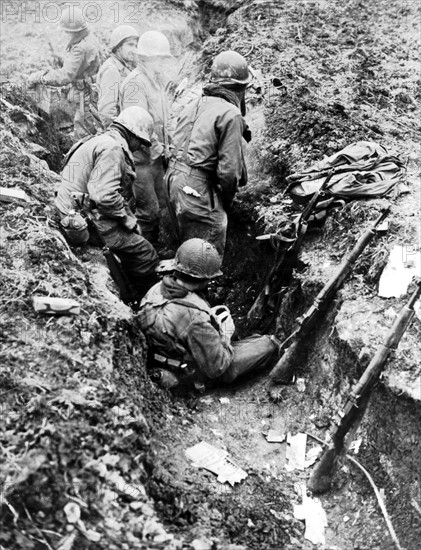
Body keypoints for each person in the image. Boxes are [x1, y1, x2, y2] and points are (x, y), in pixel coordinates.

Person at [138, 238, 280, 392]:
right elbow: (216, 368)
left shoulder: (155, 289)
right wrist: (226, 333)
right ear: (204, 279)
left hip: (162, 358)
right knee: (267, 344)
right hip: (188, 374)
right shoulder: (195, 317)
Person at [55, 106, 160, 299]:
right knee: (145, 253)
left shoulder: (99, 140)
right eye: (141, 142)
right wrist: (127, 219)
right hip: (83, 220)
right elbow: (104, 195)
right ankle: (145, 299)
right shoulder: (112, 149)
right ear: (132, 135)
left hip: (72, 210)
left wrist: (127, 214)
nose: (139, 148)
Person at [165, 50, 251, 258]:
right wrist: (227, 201)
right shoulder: (230, 114)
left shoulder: (193, 105)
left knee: (188, 247)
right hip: (195, 188)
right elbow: (229, 172)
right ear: (240, 89)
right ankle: (199, 288)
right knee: (206, 253)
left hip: (172, 181)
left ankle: (181, 283)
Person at [120, 30, 173, 244]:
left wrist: (171, 145)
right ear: (148, 58)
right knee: (148, 213)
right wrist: (162, 149)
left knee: (164, 206)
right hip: (141, 161)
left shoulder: (158, 81)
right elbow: (138, 127)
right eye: (161, 58)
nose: (163, 63)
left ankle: (163, 250)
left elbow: (165, 119)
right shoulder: (135, 84)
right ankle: (146, 261)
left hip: (157, 158)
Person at [27, 5, 101, 141]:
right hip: (92, 90)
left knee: (83, 134)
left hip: (85, 95)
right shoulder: (90, 38)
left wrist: (41, 76)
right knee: (90, 126)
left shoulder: (80, 48)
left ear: (73, 31)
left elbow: (65, 76)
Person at [97, 25, 139, 128]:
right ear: (118, 47)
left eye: (135, 46)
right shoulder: (112, 70)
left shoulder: (123, 67)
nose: (134, 50)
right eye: (130, 45)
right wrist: (120, 134)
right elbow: (107, 113)